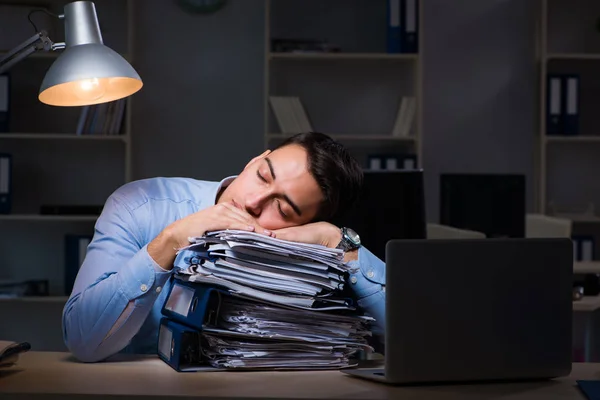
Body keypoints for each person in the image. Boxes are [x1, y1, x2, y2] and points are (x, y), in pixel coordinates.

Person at [62, 132, 386, 362]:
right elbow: (82, 341)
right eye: (262, 176)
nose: (253, 202)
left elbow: (417, 340)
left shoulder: (317, 257)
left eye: (283, 209)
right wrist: (170, 242)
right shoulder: (141, 204)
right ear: (255, 160)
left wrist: (337, 244)